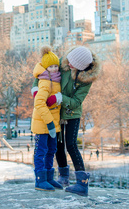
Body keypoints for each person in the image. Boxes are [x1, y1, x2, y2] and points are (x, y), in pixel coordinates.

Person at [32, 46, 101, 197]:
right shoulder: (64, 61)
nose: (68, 64)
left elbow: (77, 101)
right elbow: (42, 72)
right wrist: (35, 90)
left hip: (71, 112)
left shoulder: (87, 78)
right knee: (57, 144)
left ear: (81, 68)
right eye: (69, 60)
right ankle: (63, 176)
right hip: (56, 111)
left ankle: (82, 183)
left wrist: (60, 98)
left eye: (73, 64)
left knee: (71, 145)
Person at [30, 46, 63, 191]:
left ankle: (49, 177)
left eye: (56, 66)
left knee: (51, 150)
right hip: (44, 124)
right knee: (41, 151)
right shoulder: (45, 81)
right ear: (45, 67)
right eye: (51, 66)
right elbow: (39, 103)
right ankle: (40, 180)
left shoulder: (55, 80)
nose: (55, 69)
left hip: (52, 124)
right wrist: (50, 123)